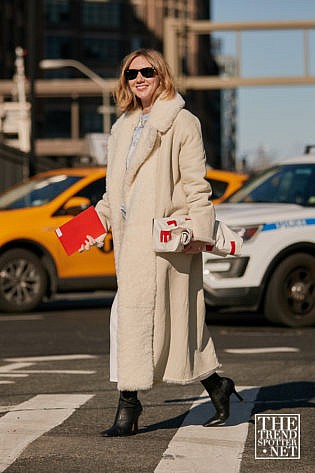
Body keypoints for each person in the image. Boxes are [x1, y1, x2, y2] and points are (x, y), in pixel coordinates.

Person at [80, 48, 243, 437]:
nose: (139, 78)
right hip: (130, 246)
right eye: (131, 73)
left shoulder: (182, 122)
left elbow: (197, 188)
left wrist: (198, 234)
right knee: (171, 325)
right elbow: (113, 197)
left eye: (147, 71)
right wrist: (84, 229)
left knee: (140, 321)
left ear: (161, 74)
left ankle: (129, 406)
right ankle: (218, 386)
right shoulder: (121, 129)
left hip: (166, 244)